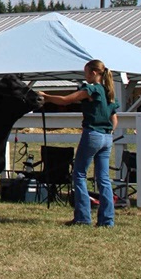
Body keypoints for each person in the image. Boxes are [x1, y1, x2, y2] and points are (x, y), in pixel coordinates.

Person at [38, 59, 120, 227]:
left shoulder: (91, 89)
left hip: (93, 135)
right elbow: (114, 119)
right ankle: (107, 220)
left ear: (94, 73)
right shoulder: (108, 91)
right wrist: (109, 132)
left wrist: (46, 97)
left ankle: (83, 217)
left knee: (79, 174)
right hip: (107, 137)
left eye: (86, 72)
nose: (85, 76)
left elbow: (66, 100)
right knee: (103, 179)